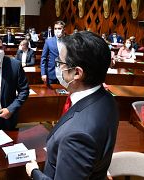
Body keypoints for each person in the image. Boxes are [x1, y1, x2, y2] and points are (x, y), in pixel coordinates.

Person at [26, 31, 119, 179]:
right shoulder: (107, 98)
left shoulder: (76, 136)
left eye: (60, 63)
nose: (58, 67)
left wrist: (34, 172)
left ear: (77, 73)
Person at [41, 20, 65, 85]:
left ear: (64, 29)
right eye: (55, 28)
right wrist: (43, 73)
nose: (57, 30)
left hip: (65, 74)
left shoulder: (69, 41)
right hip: (51, 73)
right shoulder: (48, 41)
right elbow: (43, 58)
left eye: (59, 28)